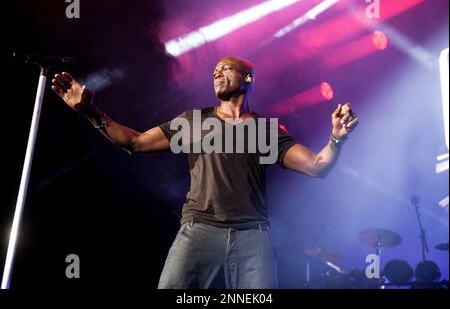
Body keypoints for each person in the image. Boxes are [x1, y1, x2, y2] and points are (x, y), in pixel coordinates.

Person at [51, 56, 359, 289]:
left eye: (226, 68)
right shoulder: (194, 121)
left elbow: (318, 167)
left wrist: (337, 138)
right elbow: (134, 142)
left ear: (248, 77)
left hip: (251, 236)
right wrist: (91, 112)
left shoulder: (266, 131)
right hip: (199, 230)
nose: (217, 72)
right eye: (214, 71)